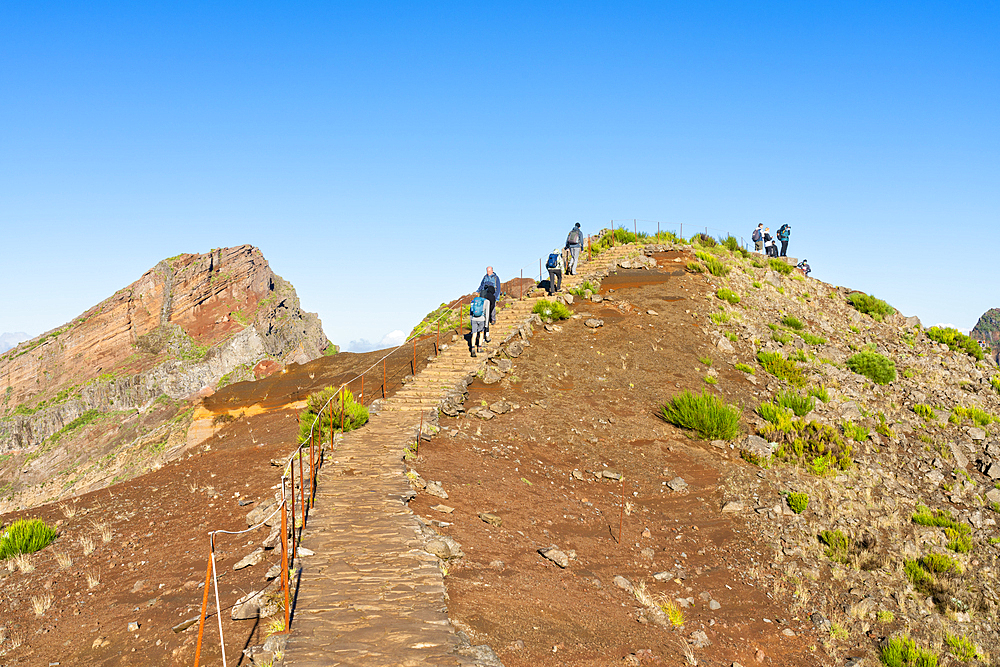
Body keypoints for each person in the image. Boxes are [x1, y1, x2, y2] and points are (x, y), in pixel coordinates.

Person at [477, 267, 500, 342]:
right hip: (485, 295)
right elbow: (481, 285)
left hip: (492, 295)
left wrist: (496, 297)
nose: (488, 272)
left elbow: (498, 287)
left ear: (492, 271)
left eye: (489, 271)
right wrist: (478, 291)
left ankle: (492, 319)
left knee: (492, 307)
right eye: (487, 271)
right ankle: (485, 319)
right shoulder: (485, 277)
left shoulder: (496, 278)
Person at [469, 292, 487, 356]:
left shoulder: (473, 302)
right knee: (481, 333)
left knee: (474, 334)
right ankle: (479, 348)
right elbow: (485, 311)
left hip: (474, 319)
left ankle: (473, 348)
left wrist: (471, 320)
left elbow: (471, 311)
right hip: (481, 319)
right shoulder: (484, 301)